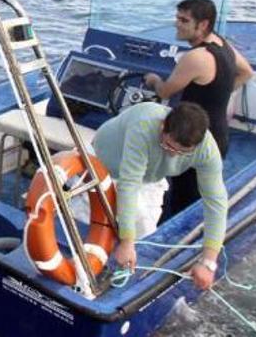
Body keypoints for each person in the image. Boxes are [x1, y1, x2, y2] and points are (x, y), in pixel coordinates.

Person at [93, 101, 227, 290]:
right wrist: (126, 242)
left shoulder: (206, 149)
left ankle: (121, 284)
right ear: (163, 127)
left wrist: (208, 262)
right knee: (105, 233)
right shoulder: (144, 125)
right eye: (170, 147)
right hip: (103, 166)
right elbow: (129, 184)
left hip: (151, 177)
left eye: (184, 153)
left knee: (145, 238)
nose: (174, 156)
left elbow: (216, 202)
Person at [143, 0, 253, 218]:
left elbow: (165, 91)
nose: (177, 24)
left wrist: (153, 79)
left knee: (182, 197)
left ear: (202, 25)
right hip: (219, 134)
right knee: (198, 192)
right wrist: (218, 93)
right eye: (177, 18)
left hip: (193, 138)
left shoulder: (194, 58)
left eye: (184, 20)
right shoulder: (223, 45)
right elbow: (246, 72)